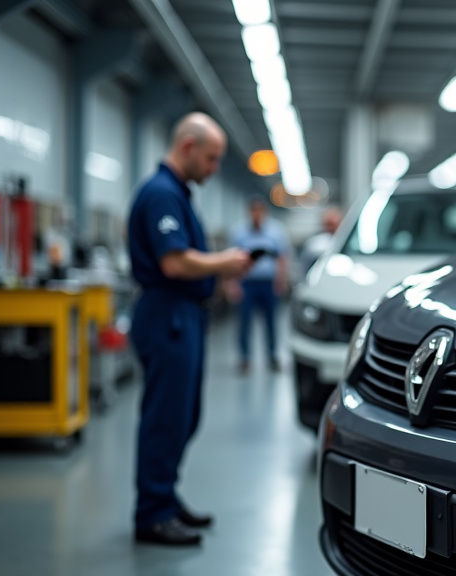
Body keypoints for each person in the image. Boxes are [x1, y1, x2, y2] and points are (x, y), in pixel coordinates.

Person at [126, 111, 252, 546]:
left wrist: (216, 273)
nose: (214, 169)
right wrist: (226, 261)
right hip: (168, 314)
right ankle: (152, 513)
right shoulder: (162, 194)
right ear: (187, 147)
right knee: (166, 417)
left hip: (184, 314)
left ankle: (165, 496)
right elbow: (174, 260)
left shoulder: (177, 193)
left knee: (183, 416)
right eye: (212, 159)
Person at [228, 195, 290, 373]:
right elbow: (232, 260)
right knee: (244, 321)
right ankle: (244, 358)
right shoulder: (239, 233)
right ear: (249, 212)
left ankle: (272, 356)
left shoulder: (275, 232)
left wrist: (281, 281)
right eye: (253, 211)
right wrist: (233, 284)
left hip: (268, 283)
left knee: (271, 322)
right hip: (247, 282)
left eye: (259, 211)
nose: (256, 214)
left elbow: (281, 259)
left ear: (264, 212)